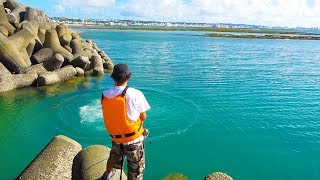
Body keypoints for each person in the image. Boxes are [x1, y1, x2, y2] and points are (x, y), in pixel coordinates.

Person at [101, 63, 151, 180]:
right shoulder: (136, 93)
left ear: (113, 77)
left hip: (116, 138)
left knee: (113, 158)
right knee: (136, 170)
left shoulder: (104, 94)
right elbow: (143, 117)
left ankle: (107, 175)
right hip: (134, 140)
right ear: (129, 77)